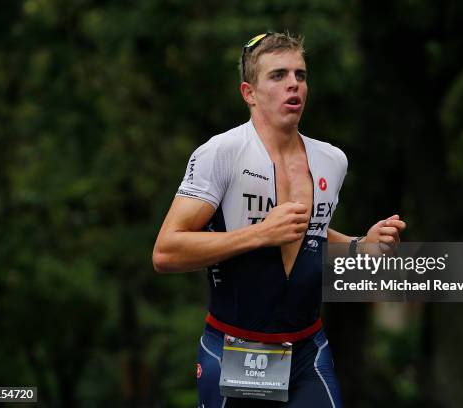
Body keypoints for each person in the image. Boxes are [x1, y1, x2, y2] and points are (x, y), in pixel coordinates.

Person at [153, 31, 406, 408]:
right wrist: (259, 234)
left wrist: (359, 245)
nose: (293, 85)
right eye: (278, 75)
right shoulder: (221, 153)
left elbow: (309, 235)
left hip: (307, 351)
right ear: (249, 93)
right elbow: (166, 252)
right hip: (234, 349)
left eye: (300, 75)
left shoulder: (332, 161)